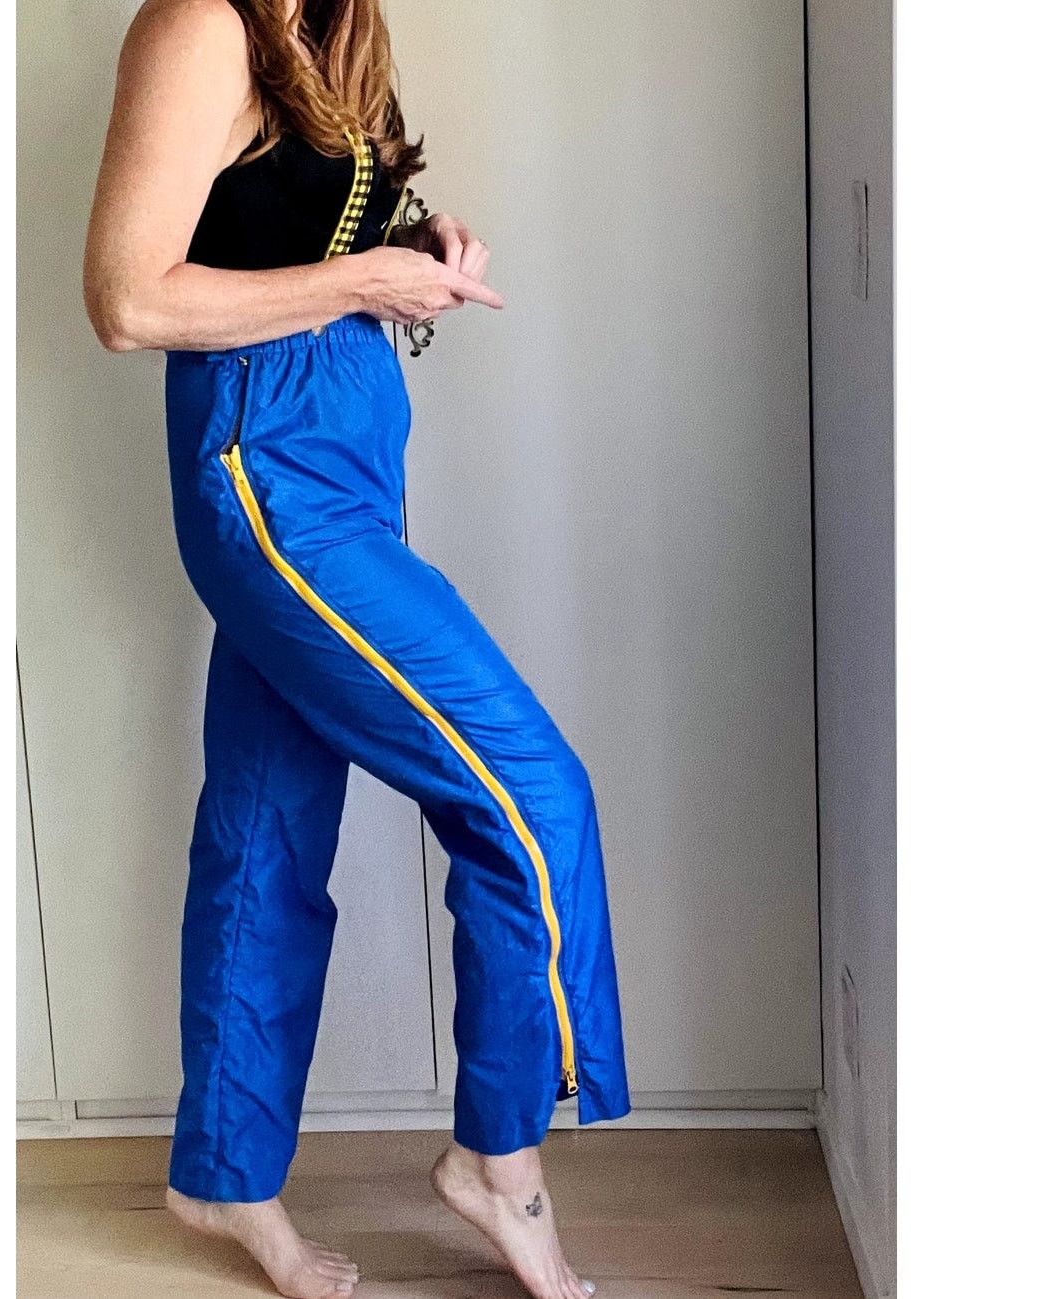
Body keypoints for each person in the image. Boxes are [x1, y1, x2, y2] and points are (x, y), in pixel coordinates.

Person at [82, 3, 630, 1296]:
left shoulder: (334, 24)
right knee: (532, 796)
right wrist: (363, 285)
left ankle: (223, 1181)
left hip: (341, 456)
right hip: (268, 471)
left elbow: (281, 225)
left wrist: (410, 248)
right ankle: (498, 1158)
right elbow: (126, 299)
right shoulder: (199, 25)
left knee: (265, 826)